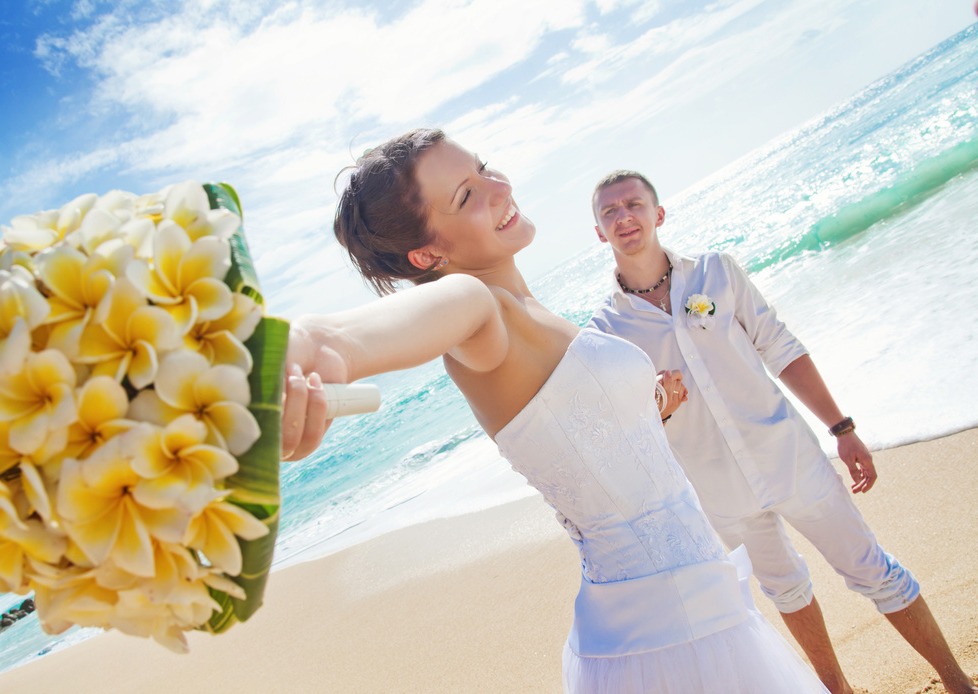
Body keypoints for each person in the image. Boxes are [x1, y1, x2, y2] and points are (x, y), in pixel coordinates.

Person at [280, 129, 829, 693]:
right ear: (427, 255)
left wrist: (653, 398)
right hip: (671, 637)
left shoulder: (530, 311)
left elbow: (581, 426)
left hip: (683, 610)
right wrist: (316, 350)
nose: (498, 187)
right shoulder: (480, 307)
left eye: (485, 168)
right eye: (467, 195)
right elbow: (353, 334)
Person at [586, 170, 978, 694]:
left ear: (658, 215)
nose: (623, 217)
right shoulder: (605, 330)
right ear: (598, 232)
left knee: (873, 569)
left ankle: (956, 682)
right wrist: (658, 405)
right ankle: (838, 690)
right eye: (609, 212)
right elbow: (624, 431)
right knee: (785, 591)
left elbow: (781, 348)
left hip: (790, 458)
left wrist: (842, 428)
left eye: (633, 204)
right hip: (718, 491)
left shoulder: (717, 273)